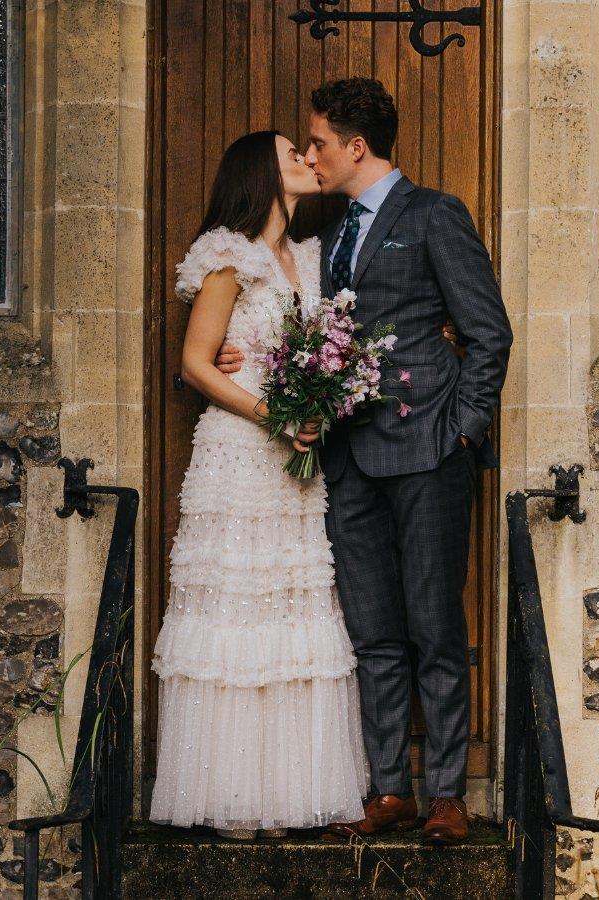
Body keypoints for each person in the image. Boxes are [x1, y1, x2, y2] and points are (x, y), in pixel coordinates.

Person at [216, 78, 513, 846]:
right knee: (374, 635)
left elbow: (489, 333)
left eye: (316, 141)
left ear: (355, 146)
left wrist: (463, 432)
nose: (309, 154)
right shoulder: (332, 236)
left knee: (434, 627)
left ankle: (446, 794)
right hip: (347, 459)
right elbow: (304, 324)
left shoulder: (434, 214)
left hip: (426, 453)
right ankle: (390, 792)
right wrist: (240, 357)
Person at [148, 129, 368, 840]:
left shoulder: (306, 257)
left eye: (308, 151)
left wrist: (314, 407)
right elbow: (196, 363)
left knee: (290, 612)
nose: (308, 160)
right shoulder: (227, 255)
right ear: (259, 175)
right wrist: (271, 412)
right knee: (238, 612)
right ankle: (235, 795)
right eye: (292, 155)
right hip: (240, 454)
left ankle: (289, 793)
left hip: (292, 465)